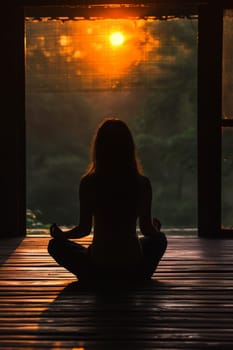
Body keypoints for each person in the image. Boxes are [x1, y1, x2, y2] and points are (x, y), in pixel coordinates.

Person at [48, 117, 167, 283]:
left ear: (99, 148)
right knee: (160, 239)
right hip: (132, 265)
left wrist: (63, 236)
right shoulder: (141, 183)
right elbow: (146, 229)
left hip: (99, 265)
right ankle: (132, 278)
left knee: (55, 246)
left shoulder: (89, 183)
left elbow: (84, 229)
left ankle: (98, 277)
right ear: (129, 148)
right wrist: (156, 230)